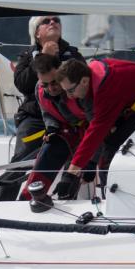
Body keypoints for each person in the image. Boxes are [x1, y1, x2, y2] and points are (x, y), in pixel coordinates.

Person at [54, 57, 135, 197]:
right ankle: (109, 192)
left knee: (112, 146)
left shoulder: (107, 87)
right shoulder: (94, 73)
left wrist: (70, 175)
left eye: (70, 91)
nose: (69, 97)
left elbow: (96, 132)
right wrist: (89, 164)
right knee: (111, 142)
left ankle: (113, 196)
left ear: (84, 81)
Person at [0, 16, 85, 202]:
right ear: (36, 32)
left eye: (56, 20)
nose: (53, 22)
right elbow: (24, 85)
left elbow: (83, 86)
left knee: (75, 157)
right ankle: (2, 204)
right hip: (34, 117)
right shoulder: (28, 56)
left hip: (69, 118)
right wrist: (44, 57)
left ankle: (67, 201)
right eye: (46, 21)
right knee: (21, 159)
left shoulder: (74, 55)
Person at [22, 52, 95, 212]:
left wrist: (91, 162)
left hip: (89, 131)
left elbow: (97, 126)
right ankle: (32, 198)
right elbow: (46, 112)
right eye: (45, 84)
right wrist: (51, 127)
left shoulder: (78, 89)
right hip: (65, 131)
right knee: (49, 150)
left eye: (54, 82)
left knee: (74, 168)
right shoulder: (39, 89)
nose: (51, 88)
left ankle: (67, 198)